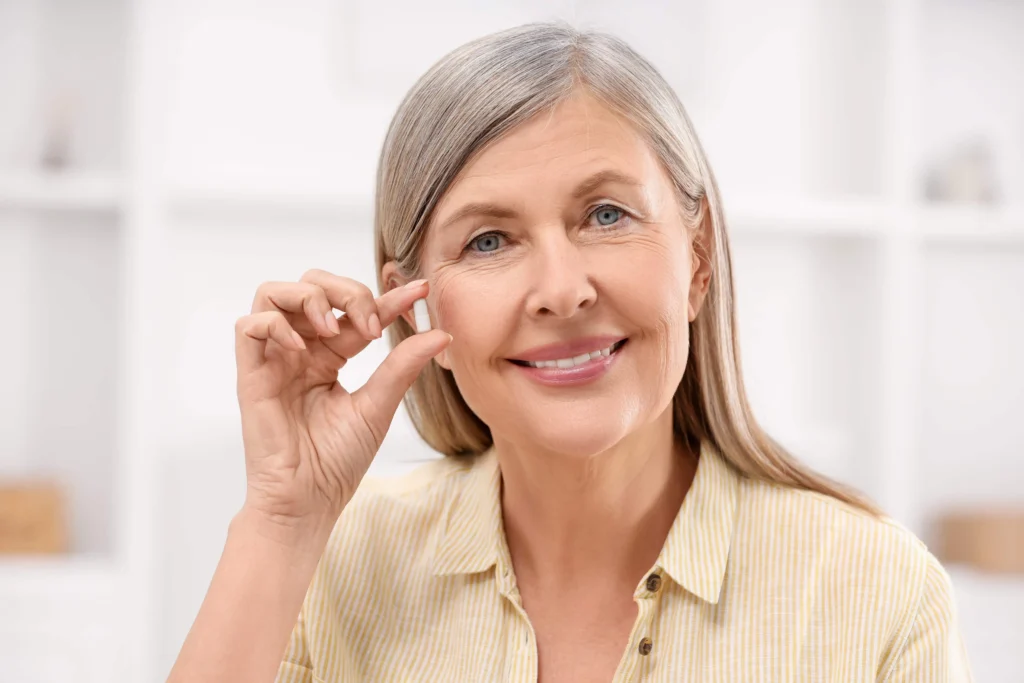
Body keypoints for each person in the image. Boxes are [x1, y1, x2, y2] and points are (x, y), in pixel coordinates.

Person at [167, 22, 973, 683]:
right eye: (489, 240)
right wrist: (282, 518)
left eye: (607, 216)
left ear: (696, 260)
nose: (561, 289)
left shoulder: (876, 593)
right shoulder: (333, 565)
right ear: (416, 309)